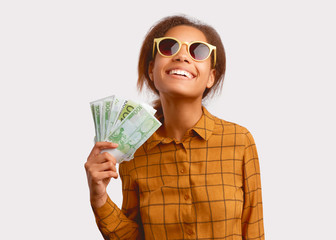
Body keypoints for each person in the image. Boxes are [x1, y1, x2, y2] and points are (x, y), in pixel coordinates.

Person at [85, 15, 264, 239]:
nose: (182, 56)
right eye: (169, 48)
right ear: (152, 70)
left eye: (198, 51)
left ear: (211, 76)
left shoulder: (239, 140)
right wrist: (99, 197)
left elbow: (254, 230)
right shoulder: (134, 151)